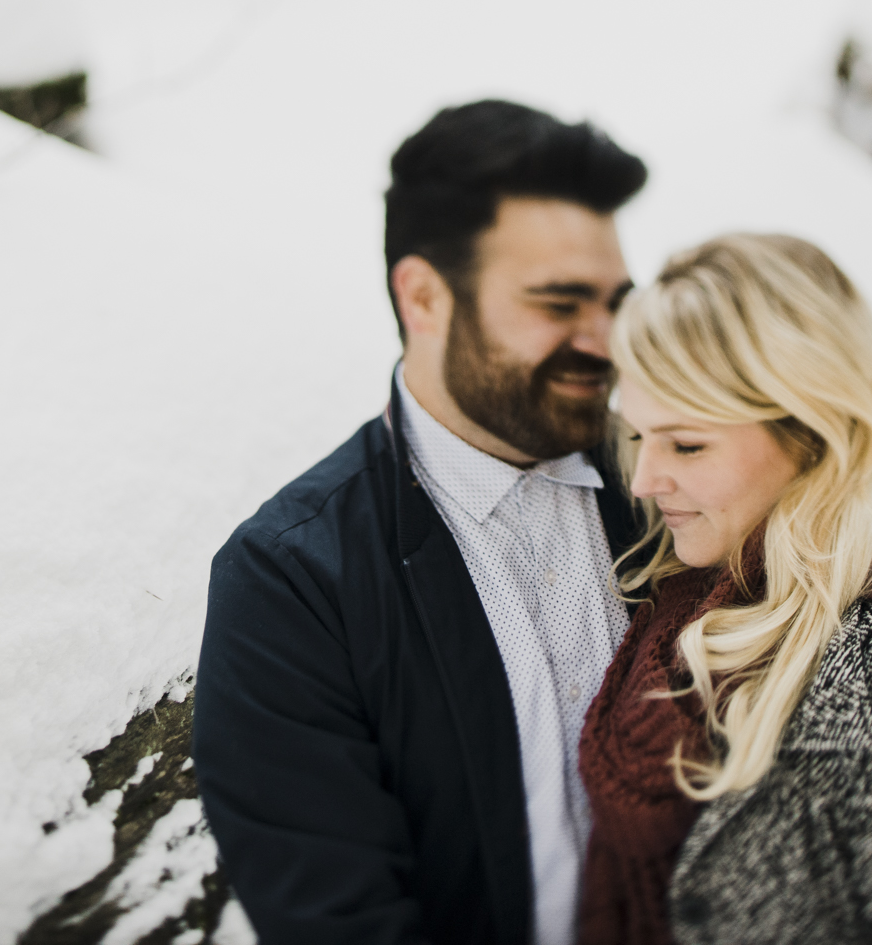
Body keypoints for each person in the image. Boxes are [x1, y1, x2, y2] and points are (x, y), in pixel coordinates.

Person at [195, 100, 650, 945]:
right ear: (425, 294)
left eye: (614, 302)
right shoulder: (294, 582)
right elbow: (339, 920)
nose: (605, 341)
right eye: (559, 303)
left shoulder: (675, 485)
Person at [578, 234, 872, 945]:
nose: (643, 480)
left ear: (811, 432)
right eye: (639, 436)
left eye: (687, 443)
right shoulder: (689, 596)